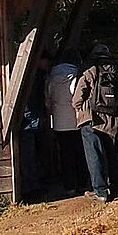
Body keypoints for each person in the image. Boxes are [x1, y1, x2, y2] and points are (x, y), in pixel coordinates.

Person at [71, 43, 118, 201]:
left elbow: (78, 96)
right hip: (113, 118)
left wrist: (78, 109)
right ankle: (115, 188)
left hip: (91, 119)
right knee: (113, 154)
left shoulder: (90, 69)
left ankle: (100, 191)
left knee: (94, 155)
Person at [43, 53, 82, 191]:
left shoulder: (51, 79)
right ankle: (82, 183)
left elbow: (48, 101)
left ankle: (69, 186)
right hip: (76, 120)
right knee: (79, 153)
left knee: (65, 155)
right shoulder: (76, 76)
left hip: (59, 123)